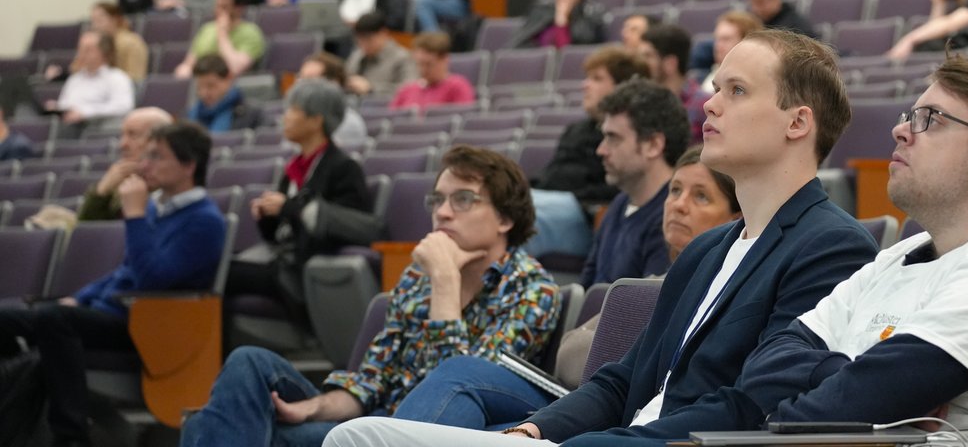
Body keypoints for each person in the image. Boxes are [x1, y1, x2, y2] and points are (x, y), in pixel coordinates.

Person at [321, 28, 879, 447]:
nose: (709, 104)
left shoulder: (831, 244)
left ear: (797, 123)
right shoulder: (710, 248)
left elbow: (754, 405)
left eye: (736, 90)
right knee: (358, 436)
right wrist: (536, 431)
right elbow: (622, 380)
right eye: (714, 88)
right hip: (606, 438)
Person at [738, 55, 968, 445]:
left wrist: (808, 399)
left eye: (930, 119)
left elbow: (827, 418)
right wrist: (847, 375)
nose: (900, 130)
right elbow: (764, 364)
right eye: (909, 116)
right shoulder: (905, 252)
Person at [182, 146, 560, 447]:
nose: (442, 213)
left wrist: (445, 280)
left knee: (215, 428)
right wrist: (317, 407)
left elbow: (461, 384)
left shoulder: (531, 289)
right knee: (249, 363)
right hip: (368, 422)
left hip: (424, 431)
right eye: (437, 200)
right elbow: (374, 379)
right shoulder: (417, 278)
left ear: (505, 219)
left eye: (463, 200)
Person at [363, 146, 742, 432]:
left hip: (633, 422)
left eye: (701, 196)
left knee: (457, 378)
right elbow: (575, 359)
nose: (677, 205)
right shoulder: (641, 290)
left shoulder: (531, 286)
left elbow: (467, 373)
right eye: (673, 191)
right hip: (410, 409)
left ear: (736, 217)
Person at [1, 121, 225, 446]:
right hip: (116, 311)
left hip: (151, 323)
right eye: (146, 156)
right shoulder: (158, 208)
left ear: (189, 165)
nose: (145, 165)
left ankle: (71, 435)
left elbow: (152, 280)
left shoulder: (204, 220)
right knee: (9, 317)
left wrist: (133, 216)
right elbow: (123, 271)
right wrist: (79, 298)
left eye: (157, 157)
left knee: (54, 319)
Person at [226, 80, 373, 318]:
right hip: (282, 262)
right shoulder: (294, 168)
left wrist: (288, 207)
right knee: (218, 269)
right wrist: (267, 216)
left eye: (293, 110)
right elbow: (280, 233)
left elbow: (342, 226)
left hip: (305, 269)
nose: (285, 117)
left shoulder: (344, 168)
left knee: (218, 272)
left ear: (316, 120)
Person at [525, 46, 651, 260]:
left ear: (622, 87)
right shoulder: (576, 129)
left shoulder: (633, 136)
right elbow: (550, 175)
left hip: (584, 216)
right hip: (550, 202)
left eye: (597, 78)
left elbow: (618, 188)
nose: (585, 85)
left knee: (518, 216)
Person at [580, 79, 689, 286]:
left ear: (653, 145)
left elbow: (644, 309)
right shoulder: (619, 204)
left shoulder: (673, 218)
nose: (601, 150)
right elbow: (587, 291)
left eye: (613, 138)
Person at [78, 107, 174, 221]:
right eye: (122, 135)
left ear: (159, 142)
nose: (122, 144)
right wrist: (102, 191)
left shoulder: (173, 184)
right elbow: (87, 232)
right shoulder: (121, 181)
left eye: (133, 135)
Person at [175, 0, 267, 78]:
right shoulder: (207, 29)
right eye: (217, 5)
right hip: (201, 83)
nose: (217, 10)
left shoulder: (251, 33)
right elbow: (189, 64)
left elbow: (235, 68)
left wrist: (222, 34)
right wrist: (183, 72)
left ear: (239, 8)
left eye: (224, 6)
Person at [638, 23, 708, 144]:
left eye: (648, 56)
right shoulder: (641, 104)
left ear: (670, 63)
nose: (640, 63)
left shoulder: (704, 105)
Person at [51, 30, 135, 129]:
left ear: (104, 52)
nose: (81, 54)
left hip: (100, 131)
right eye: (80, 49)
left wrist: (85, 113)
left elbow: (123, 107)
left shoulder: (117, 78)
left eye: (88, 50)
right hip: (69, 129)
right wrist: (56, 108)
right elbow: (65, 104)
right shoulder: (74, 79)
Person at [510, 0, 606, 48]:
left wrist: (561, 19)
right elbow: (521, 42)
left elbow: (566, 51)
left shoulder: (589, 13)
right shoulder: (542, 10)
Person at [297, 52, 369, 148]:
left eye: (310, 80)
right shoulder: (296, 119)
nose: (302, 87)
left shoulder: (347, 123)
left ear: (334, 83)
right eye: (301, 79)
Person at [388, 32, 476, 110]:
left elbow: (463, 117)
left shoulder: (458, 87)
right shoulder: (406, 90)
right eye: (419, 64)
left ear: (444, 59)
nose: (423, 70)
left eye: (428, 64)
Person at [187, 54, 265, 133]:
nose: (203, 93)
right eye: (199, 87)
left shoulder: (254, 115)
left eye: (211, 85)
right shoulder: (190, 117)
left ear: (229, 78)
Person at [344, 12, 415, 97]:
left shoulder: (403, 58)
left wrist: (372, 89)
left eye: (368, 39)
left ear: (383, 33)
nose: (363, 44)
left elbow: (410, 91)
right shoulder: (357, 55)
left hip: (385, 107)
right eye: (359, 39)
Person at [697, 11, 763, 93]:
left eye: (726, 39)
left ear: (746, 42)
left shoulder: (754, 82)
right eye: (717, 39)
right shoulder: (705, 77)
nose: (718, 46)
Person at [87, 1, 148, 82]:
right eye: (93, 21)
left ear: (114, 19)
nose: (95, 26)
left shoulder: (132, 43)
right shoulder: (94, 44)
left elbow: (136, 76)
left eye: (99, 21)